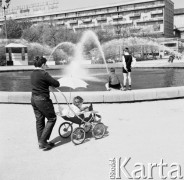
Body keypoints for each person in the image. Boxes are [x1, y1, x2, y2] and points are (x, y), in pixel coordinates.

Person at [31, 56, 60, 150]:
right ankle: (43, 141)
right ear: (43, 64)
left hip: (34, 99)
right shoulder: (43, 73)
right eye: (45, 64)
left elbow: (41, 83)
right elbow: (56, 84)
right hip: (42, 100)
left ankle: (41, 142)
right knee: (52, 118)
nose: (46, 66)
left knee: (39, 120)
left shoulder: (32, 73)